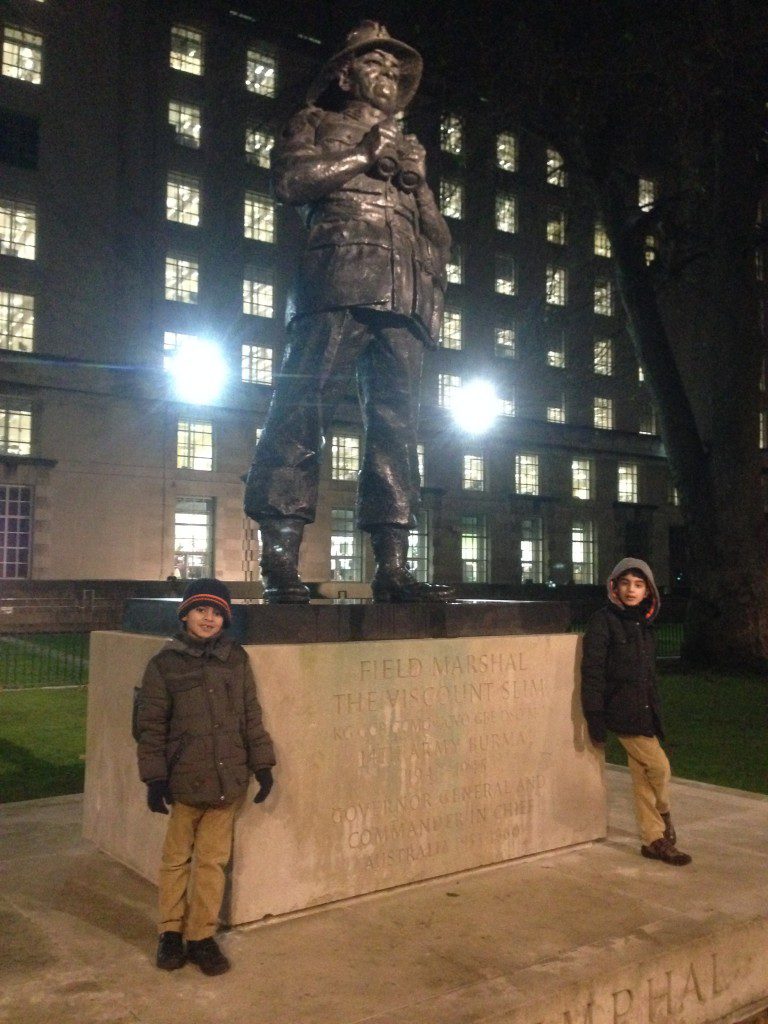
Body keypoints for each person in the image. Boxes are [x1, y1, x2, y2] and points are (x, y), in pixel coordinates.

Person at [243, 20, 453, 605]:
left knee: (396, 431)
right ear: (345, 74)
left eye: (395, 69)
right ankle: (279, 558)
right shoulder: (314, 122)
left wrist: (421, 185)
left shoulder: (409, 150)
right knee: (300, 411)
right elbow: (291, 182)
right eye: (374, 64)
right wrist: (363, 154)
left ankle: (394, 565)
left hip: (404, 298)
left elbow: (439, 241)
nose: (387, 75)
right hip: (336, 280)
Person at [135, 578, 276, 974]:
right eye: (201, 610)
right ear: (185, 614)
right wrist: (155, 779)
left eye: (216, 612)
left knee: (212, 863)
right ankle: (170, 932)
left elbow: (250, 715)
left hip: (226, 780)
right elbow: (151, 727)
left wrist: (262, 765)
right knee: (176, 860)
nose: (208, 618)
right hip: (183, 780)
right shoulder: (164, 664)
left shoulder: (235, 659)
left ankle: (201, 936)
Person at [580, 557, 692, 866]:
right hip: (622, 712)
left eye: (639, 584)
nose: (631, 590)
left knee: (643, 776)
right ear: (614, 586)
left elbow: (648, 675)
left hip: (645, 710)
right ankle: (664, 814)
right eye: (626, 583)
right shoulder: (603, 621)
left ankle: (652, 840)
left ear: (648, 591)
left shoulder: (644, 624)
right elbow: (593, 673)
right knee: (660, 767)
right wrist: (595, 716)